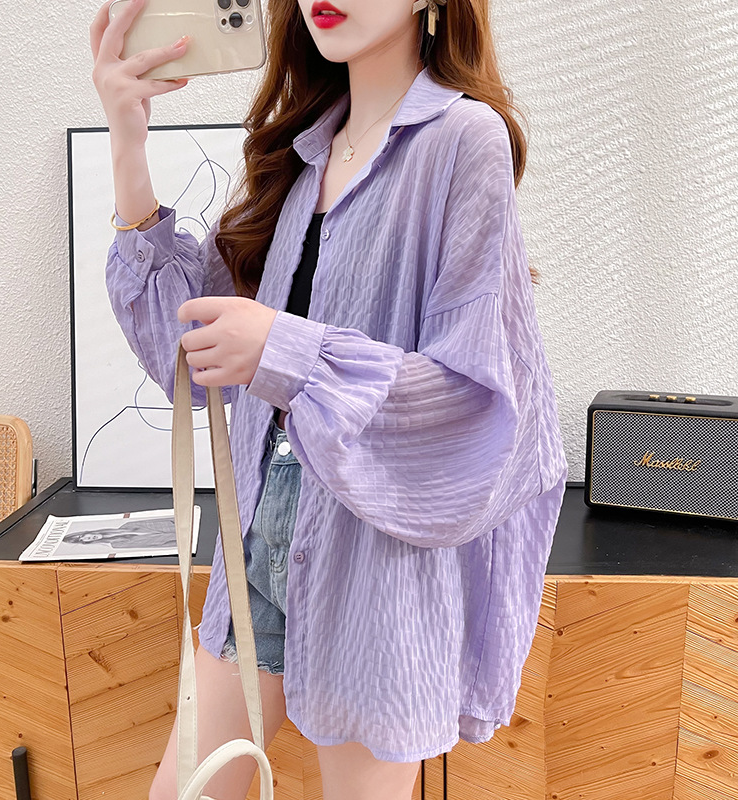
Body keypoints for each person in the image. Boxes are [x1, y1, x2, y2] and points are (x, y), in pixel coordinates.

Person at [90, 0, 569, 798]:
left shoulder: (464, 141)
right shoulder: (305, 153)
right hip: (256, 544)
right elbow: (186, 348)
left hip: (375, 560)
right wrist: (127, 139)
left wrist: (283, 352)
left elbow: (478, 406)